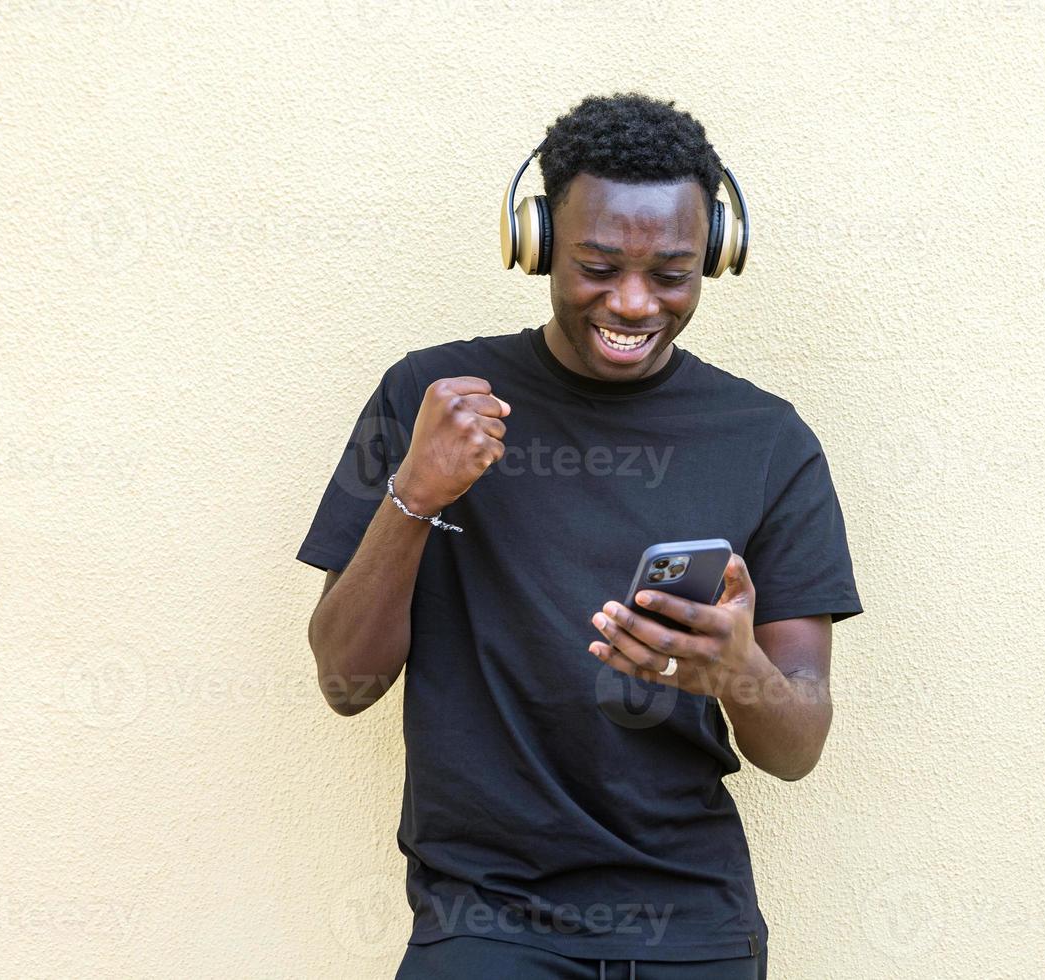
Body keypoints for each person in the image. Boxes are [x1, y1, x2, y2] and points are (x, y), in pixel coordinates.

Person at [297, 92, 863, 980]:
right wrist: (415, 492)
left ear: (716, 256)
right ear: (538, 246)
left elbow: (796, 748)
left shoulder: (768, 442)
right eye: (598, 265)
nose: (633, 303)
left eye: (672, 274)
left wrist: (736, 670)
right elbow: (345, 681)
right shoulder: (429, 398)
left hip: (692, 921)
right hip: (483, 918)